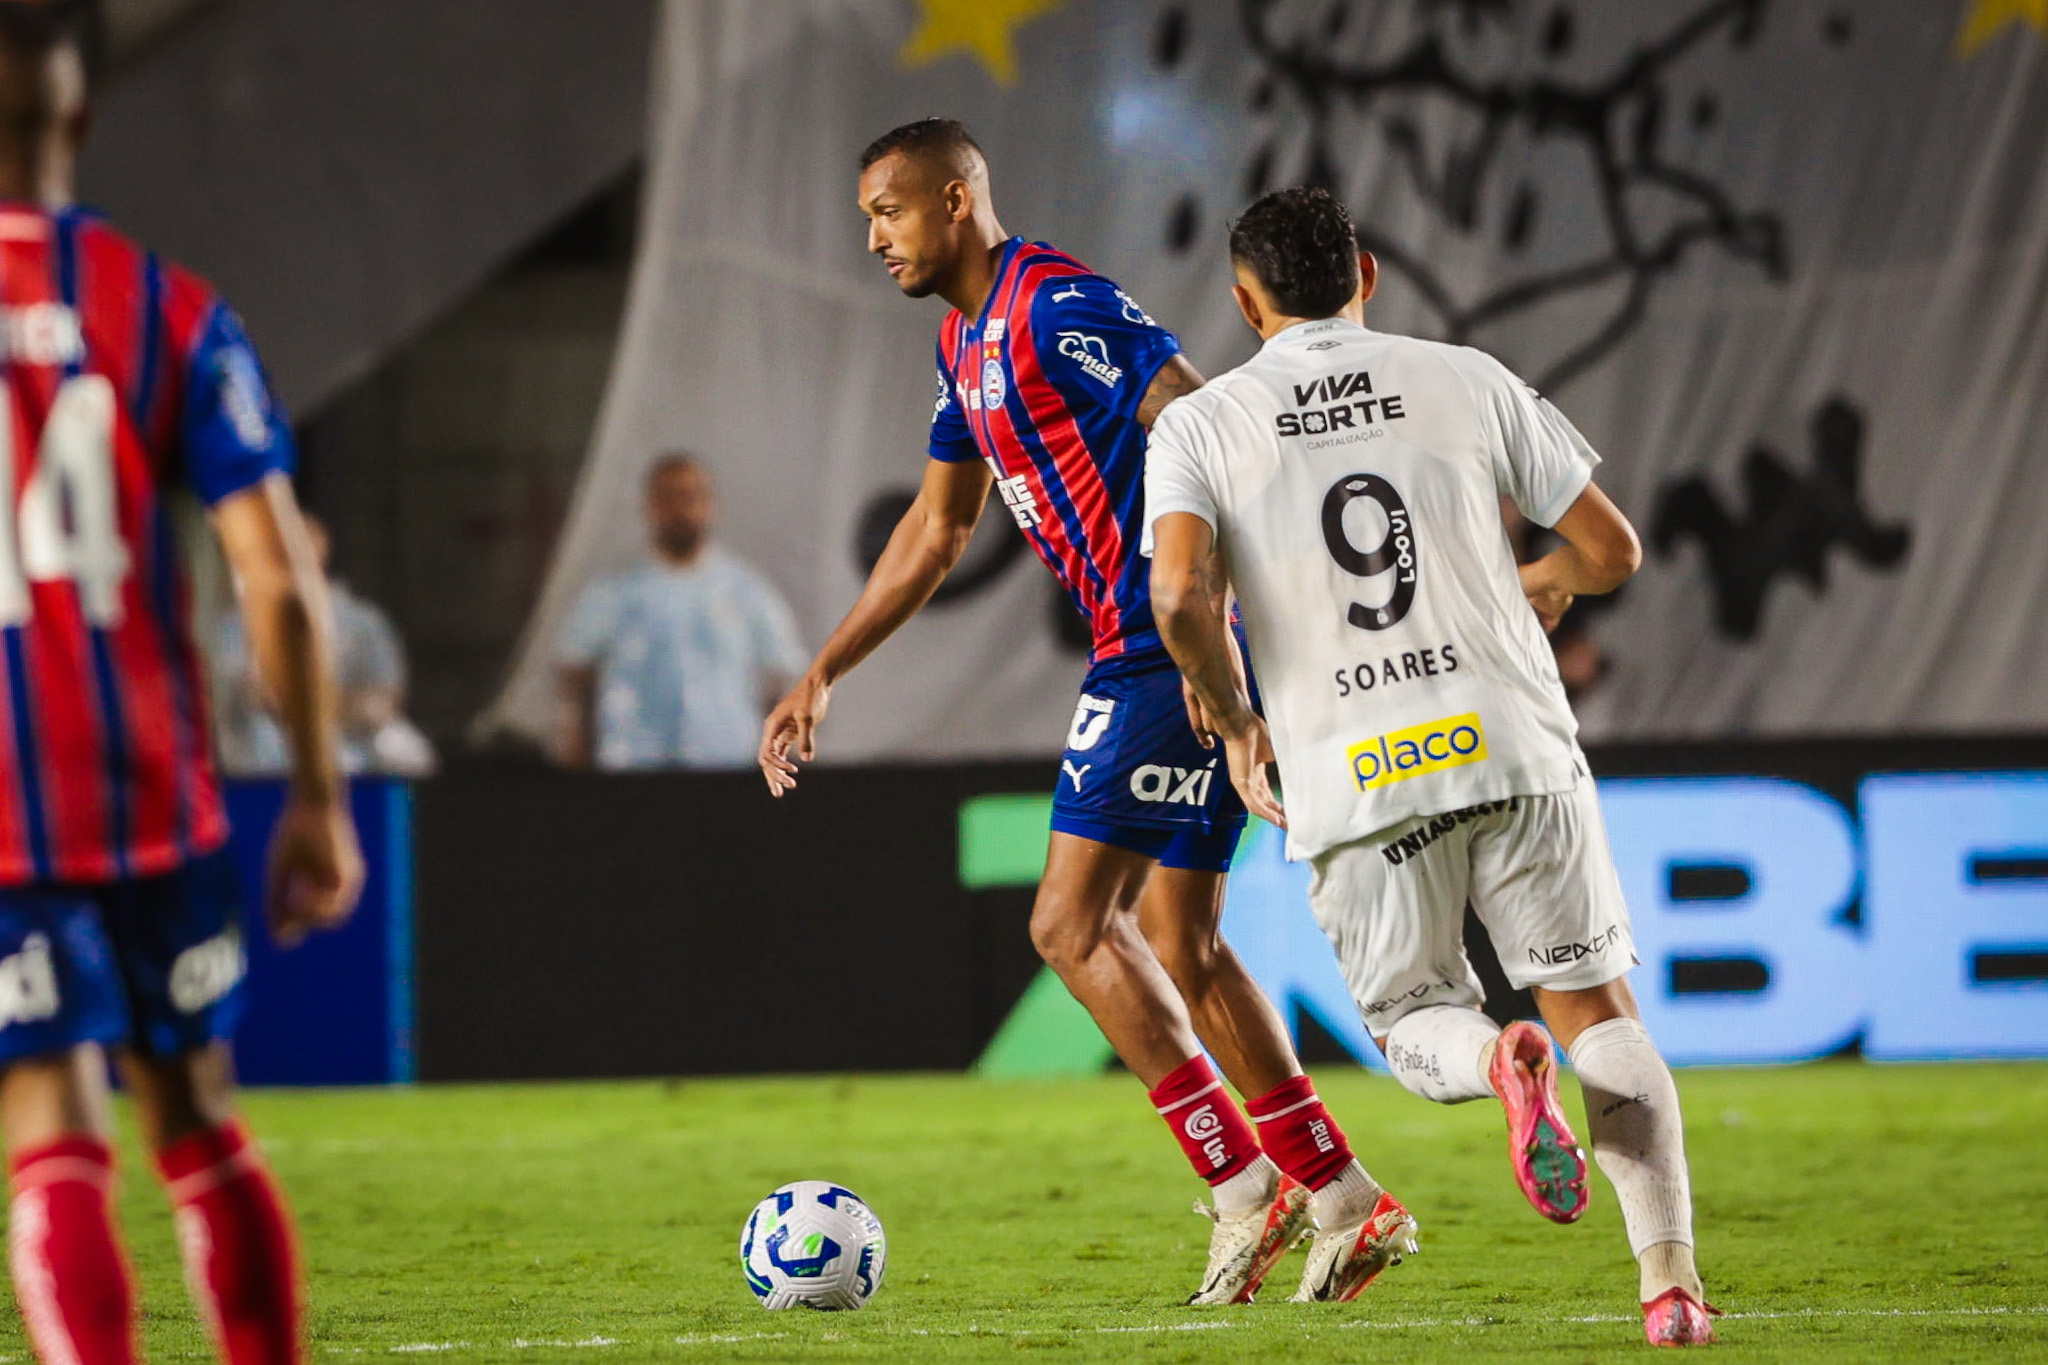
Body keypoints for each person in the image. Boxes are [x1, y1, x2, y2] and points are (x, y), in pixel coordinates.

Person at [759, 119, 1413, 1305]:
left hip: (1162, 653)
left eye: (888, 212)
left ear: (956, 201)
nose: (872, 238)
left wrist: (1221, 600)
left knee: (1066, 926)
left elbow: (1199, 413)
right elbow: (935, 531)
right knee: (1183, 943)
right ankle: (1340, 1197)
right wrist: (823, 671)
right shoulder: (967, 343)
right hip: (1162, 654)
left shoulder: (1055, 306)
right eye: (867, 217)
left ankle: (1239, 1185)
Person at [1144, 185, 1715, 1345]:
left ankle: (1494, 1061)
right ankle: (1669, 1288)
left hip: (1355, 767)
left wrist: (1231, 712)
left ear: (1245, 303)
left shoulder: (1200, 425)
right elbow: (1610, 549)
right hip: (1510, 735)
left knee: (1413, 1019)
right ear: (1365, 274)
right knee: (1597, 1011)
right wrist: (1544, 585)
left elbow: (1174, 595)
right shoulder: (1464, 373)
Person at [0, 6, 364, 1364]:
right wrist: (319, 793)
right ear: (80, 119)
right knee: (198, 1115)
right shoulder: (172, 309)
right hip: (155, 785)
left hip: (3, 805)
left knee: (50, 1125)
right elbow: (275, 576)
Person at [557, 453, 805, 771]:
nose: (680, 508)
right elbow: (575, 675)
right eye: (668, 497)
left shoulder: (747, 591)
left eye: (690, 496)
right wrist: (574, 753)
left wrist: (786, 758)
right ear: (650, 506)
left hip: (726, 765)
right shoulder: (612, 592)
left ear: (710, 503)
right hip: (633, 766)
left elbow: (783, 676)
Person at [214, 514, 437, 777]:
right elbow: (242, 695)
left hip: (353, 762)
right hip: (259, 766)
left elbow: (382, 701)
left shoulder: (363, 623)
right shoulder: (233, 627)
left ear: (320, 547)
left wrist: (305, 704)